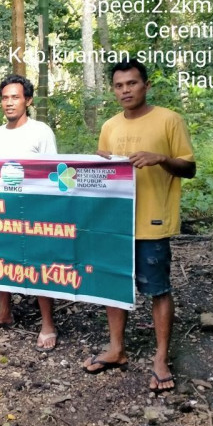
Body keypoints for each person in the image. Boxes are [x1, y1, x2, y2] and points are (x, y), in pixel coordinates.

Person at [83, 58, 195, 392]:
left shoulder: (169, 120)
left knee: (158, 289)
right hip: (115, 223)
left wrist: (161, 158)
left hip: (151, 221)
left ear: (146, 85)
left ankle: (161, 357)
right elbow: (104, 176)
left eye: (132, 83)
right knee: (114, 284)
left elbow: (189, 168)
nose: (125, 90)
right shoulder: (110, 126)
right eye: (119, 86)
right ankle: (117, 349)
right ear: (113, 90)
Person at [0, 74, 59, 352]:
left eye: (15, 97)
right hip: (4, 207)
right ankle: (4, 311)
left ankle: (47, 324)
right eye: (5, 98)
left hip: (34, 208)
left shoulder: (41, 132)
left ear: (28, 100)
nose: (9, 103)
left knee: (38, 263)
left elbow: (51, 171)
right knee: (1, 258)